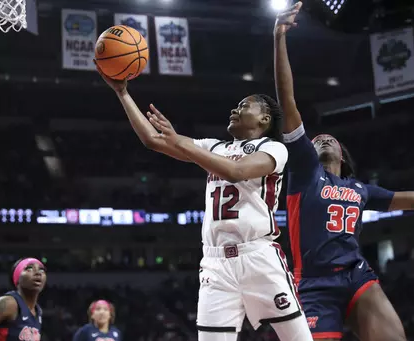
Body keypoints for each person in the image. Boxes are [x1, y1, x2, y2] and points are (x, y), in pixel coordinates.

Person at [273, 3, 414, 341]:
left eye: (328, 138)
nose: (321, 139)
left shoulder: (360, 189)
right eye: (316, 138)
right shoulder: (305, 170)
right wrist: (279, 38)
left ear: (342, 156)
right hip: (314, 283)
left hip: (355, 275)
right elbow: (287, 102)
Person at [94, 62, 313, 341]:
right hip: (215, 263)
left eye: (245, 106)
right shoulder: (215, 147)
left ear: (264, 119)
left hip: (258, 256)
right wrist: (122, 92)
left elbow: (235, 172)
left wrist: (181, 142)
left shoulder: (273, 148)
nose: (235, 110)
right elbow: (152, 139)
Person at [0, 258, 46, 341]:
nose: (38, 273)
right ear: (17, 278)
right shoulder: (9, 303)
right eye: (29, 268)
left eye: (41, 270)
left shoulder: (38, 311)